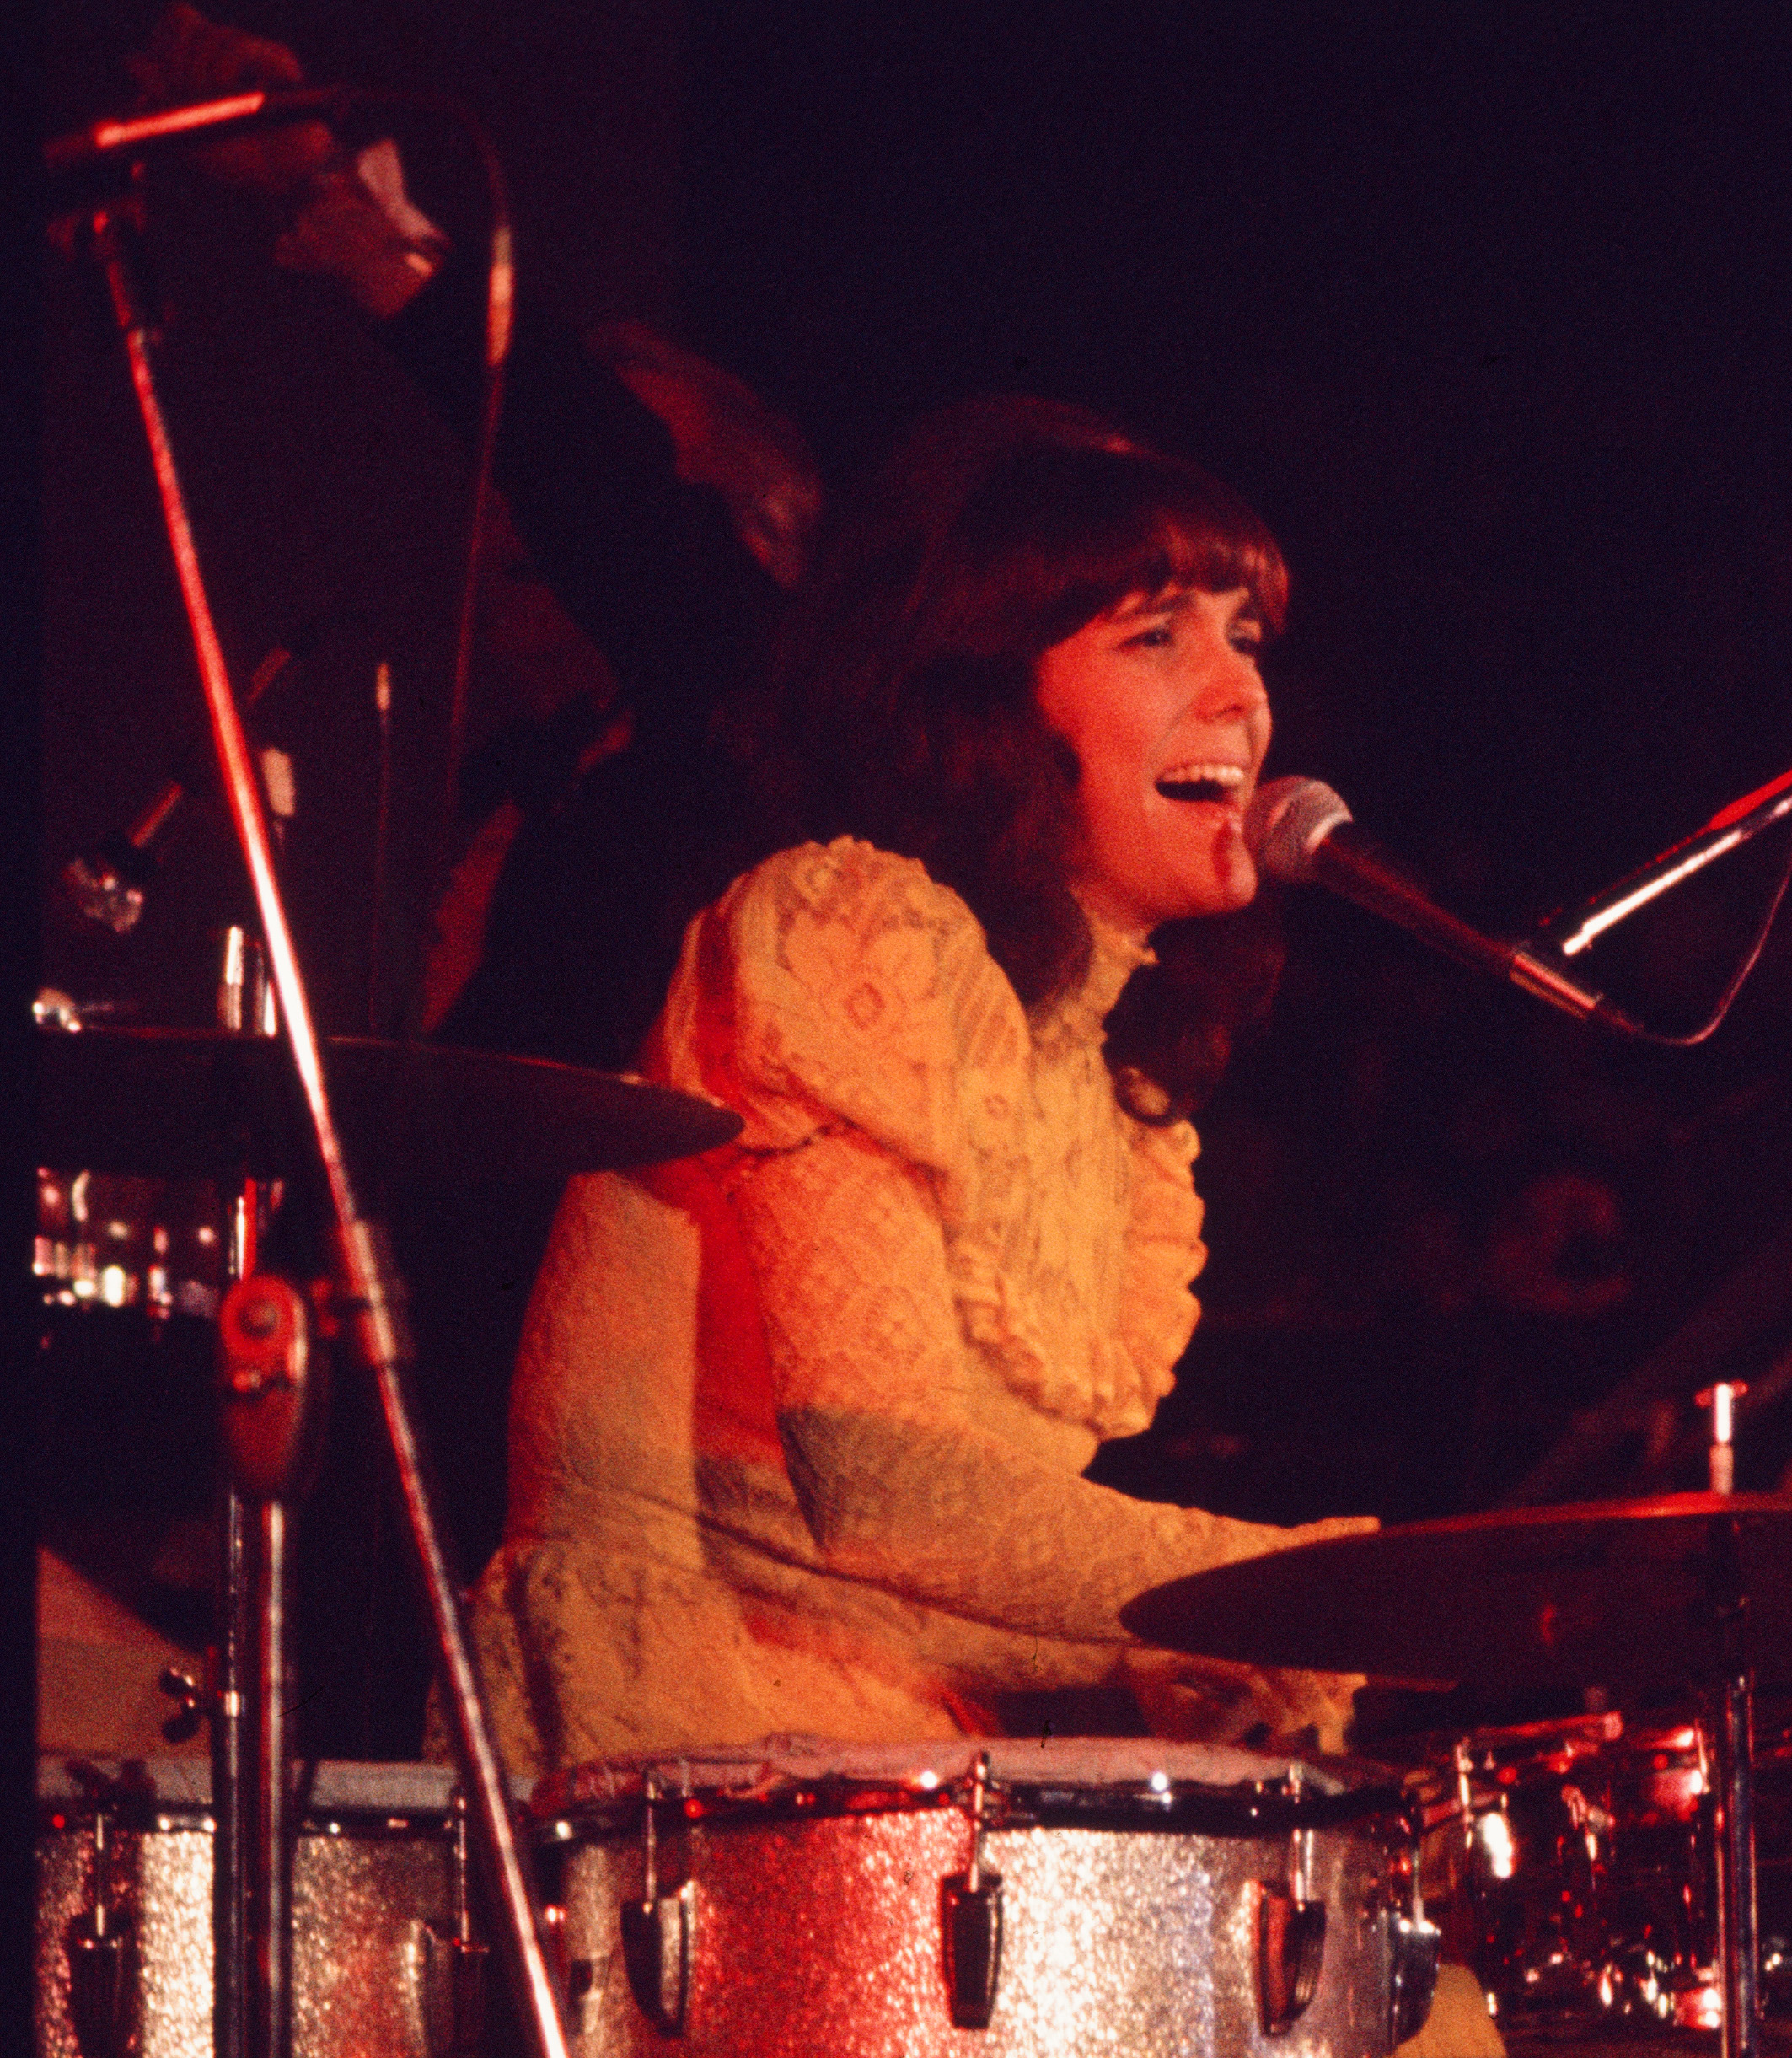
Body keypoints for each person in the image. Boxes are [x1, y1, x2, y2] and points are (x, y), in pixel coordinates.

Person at [467, 400, 1371, 1775]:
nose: (1242, 694)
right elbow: (875, 1491)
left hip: (887, 1757)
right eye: (1156, 634)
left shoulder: (1107, 1081)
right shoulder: (846, 927)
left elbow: (907, 1566)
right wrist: (1258, 1589)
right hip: (682, 1765)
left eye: (1245, 636)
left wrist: (1161, 1653)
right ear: (989, 693)